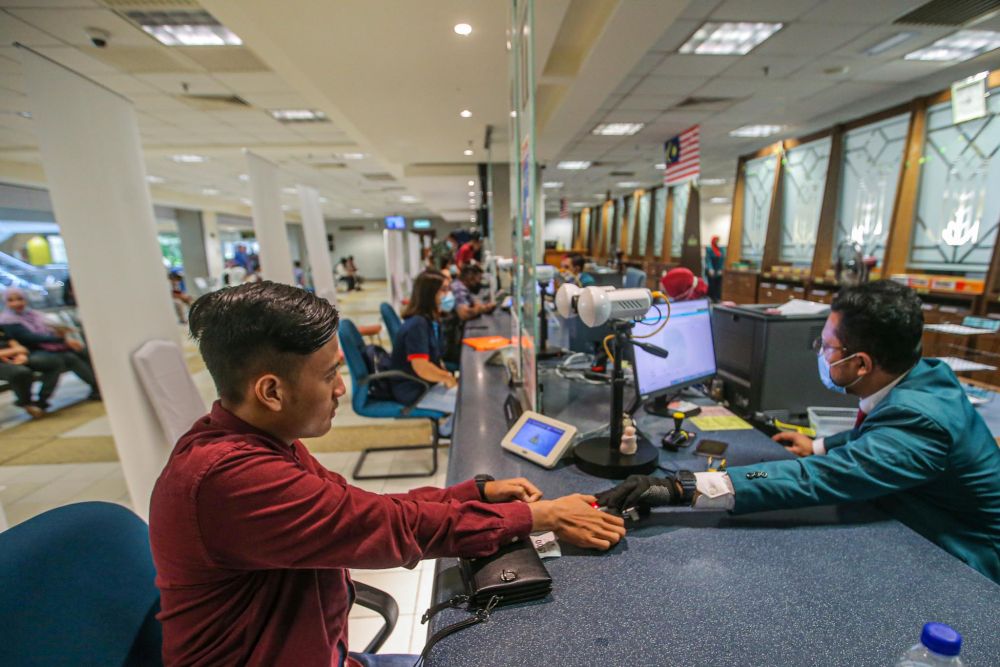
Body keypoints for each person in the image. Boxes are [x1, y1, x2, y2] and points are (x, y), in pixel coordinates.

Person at [149, 281, 625, 667]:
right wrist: (536, 516)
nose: (340, 387)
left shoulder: (257, 443)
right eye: (328, 374)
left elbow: (357, 508)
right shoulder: (231, 479)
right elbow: (388, 528)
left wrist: (472, 491)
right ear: (271, 391)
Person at [597, 280, 1000, 583]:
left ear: (861, 364)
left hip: (961, 562)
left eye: (826, 347)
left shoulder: (921, 423)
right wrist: (821, 443)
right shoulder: (926, 377)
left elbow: (813, 478)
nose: (820, 355)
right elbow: (881, 433)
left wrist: (681, 487)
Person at [389, 271, 460, 434]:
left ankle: (447, 431)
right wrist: (446, 378)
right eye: (443, 289)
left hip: (426, 383)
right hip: (415, 389)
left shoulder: (430, 321)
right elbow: (421, 367)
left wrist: (446, 376)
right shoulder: (417, 325)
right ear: (430, 294)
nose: (448, 294)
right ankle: (446, 433)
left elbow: (434, 358)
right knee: (466, 407)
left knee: (466, 398)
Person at [0, 288, 99, 400]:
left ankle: (99, 385)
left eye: (20, 299)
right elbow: (28, 338)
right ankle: (38, 401)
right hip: (33, 351)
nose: (16, 303)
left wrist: (63, 339)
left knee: (81, 351)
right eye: (11, 300)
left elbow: (11, 340)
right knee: (64, 359)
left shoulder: (34, 315)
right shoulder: (8, 320)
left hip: (37, 349)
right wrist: (17, 351)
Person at [0, 325, 64, 417]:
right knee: (20, 372)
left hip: (15, 356)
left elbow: (14, 343)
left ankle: (41, 401)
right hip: (6, 360)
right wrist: (13, 351)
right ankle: (26, 403)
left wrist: (21, 354)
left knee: (54, 362)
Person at [704, 235, 725, 302]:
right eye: (716, 240)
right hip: (711, 270)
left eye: (718, 240)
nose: (717, 242)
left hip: (718, 270)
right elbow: (708, 259)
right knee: (711, 285)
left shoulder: (721, 249)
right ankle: (710, 299)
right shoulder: (709, 248)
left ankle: (717, 299)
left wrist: (721, 269)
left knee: (718, 285)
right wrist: (710, 268)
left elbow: (722, 259)